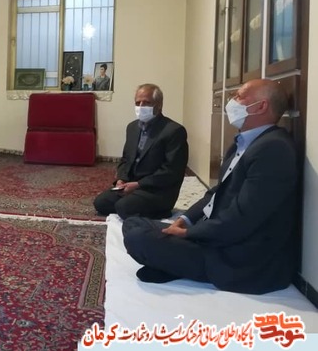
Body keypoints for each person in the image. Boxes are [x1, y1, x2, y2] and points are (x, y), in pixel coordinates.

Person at [122, 79, 298, 294]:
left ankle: (180, 265)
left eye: (239, 96)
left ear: (261, 106)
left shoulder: (273, 149)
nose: (232, 101)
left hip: (238, 257)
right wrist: (185, 220)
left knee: (138, 238)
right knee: (132, 223)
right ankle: (177, 264)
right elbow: (217, 192)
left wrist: (190, 233)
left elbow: (242, 218)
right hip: (217, 236)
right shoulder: (245, 142)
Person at [93, 83, 188, 219]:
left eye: (147, 103)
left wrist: (138, 185)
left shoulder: (174, 131)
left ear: (159, 105)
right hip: (131, 186)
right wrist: (121, 179)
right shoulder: (132, 127)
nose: (141, 107)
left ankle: (160, 211)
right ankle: (134, 204)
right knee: (100, 203)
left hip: (157, 190)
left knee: (123, 207)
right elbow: (126, 159)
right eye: (138, 103)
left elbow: (172, 171)